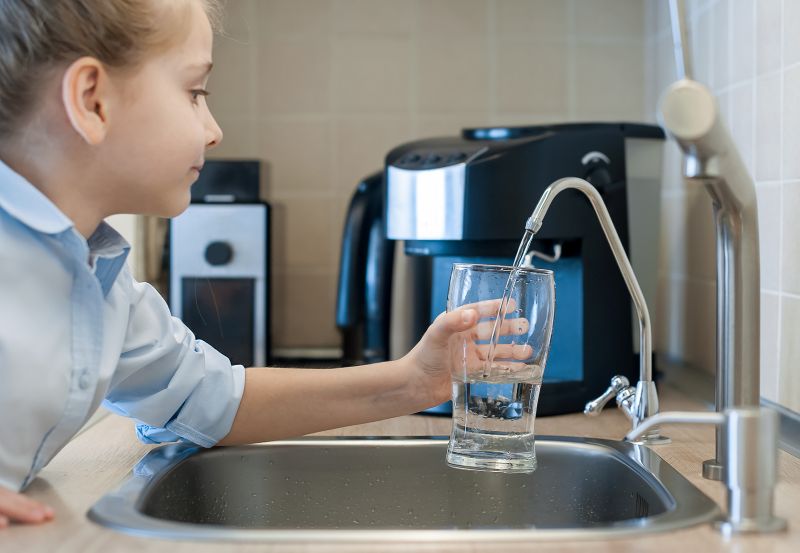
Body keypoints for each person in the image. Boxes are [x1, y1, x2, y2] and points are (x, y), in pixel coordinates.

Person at [0, 0, 528, 528]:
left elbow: (209, 399)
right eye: (195, 93)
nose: (213, 131)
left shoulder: (102, 283)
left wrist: (416, 381)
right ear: (92, 101)